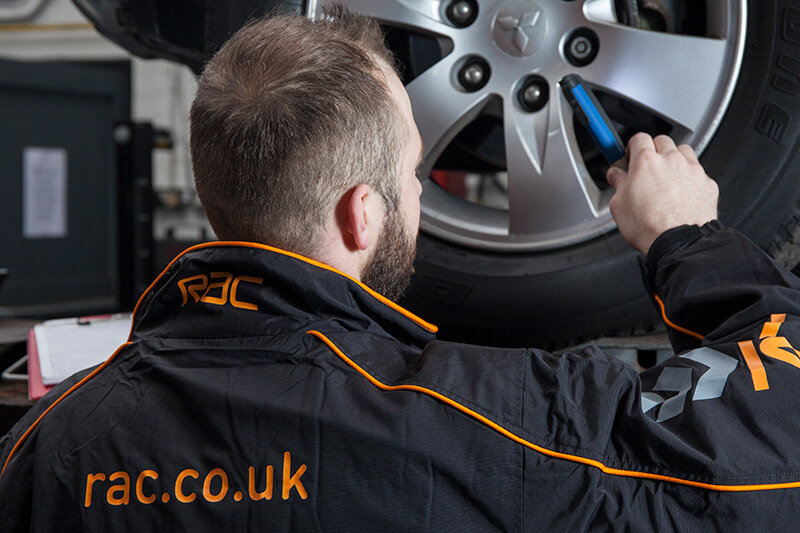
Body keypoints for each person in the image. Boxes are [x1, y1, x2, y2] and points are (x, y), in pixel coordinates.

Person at [2, 7, 800, 531]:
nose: (417, 192)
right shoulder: (497, 422)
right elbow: (773, 441)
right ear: (362, 215)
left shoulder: (46, 448)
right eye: (415, 174)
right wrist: (687, 236)